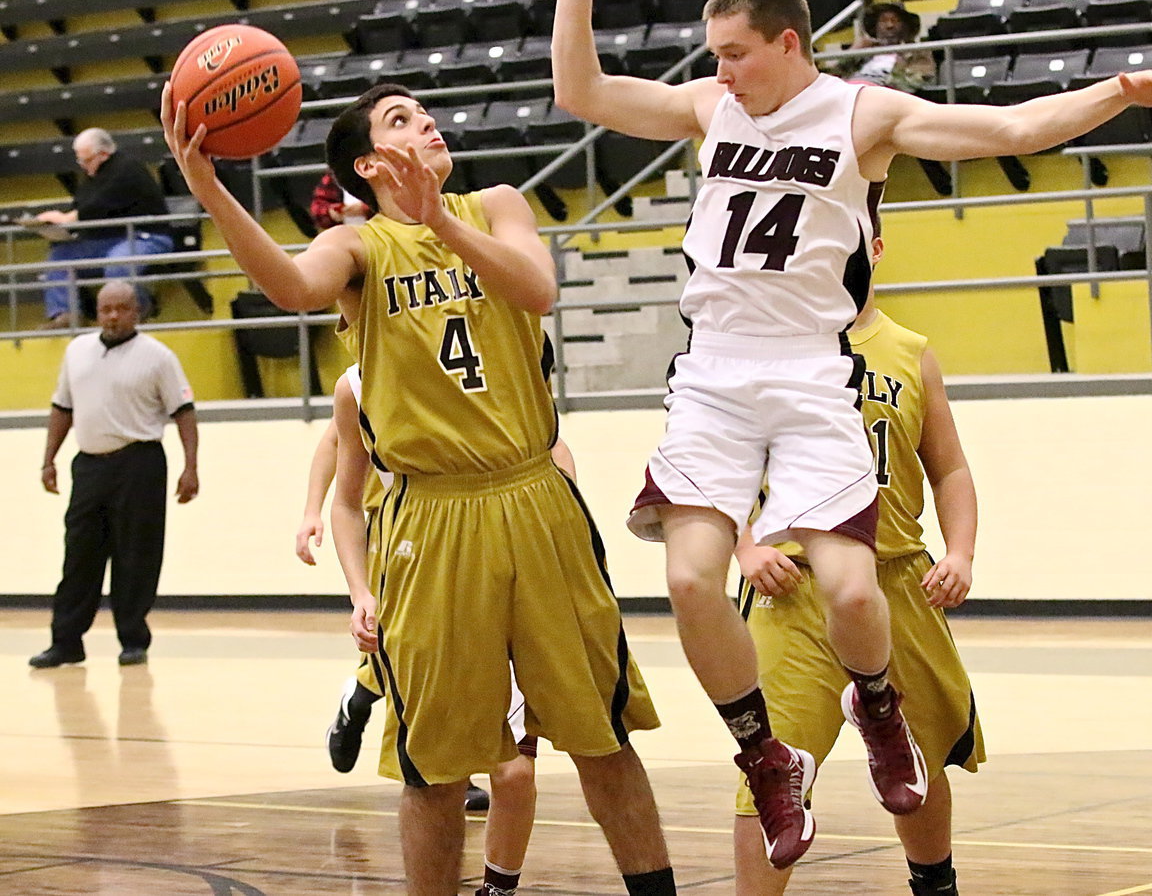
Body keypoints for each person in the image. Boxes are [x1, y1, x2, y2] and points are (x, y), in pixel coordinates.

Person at [551, 0, 1152, 869]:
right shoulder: (709, 107)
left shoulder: (863, 114)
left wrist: (1114, 92)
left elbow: (1008, 127)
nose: (720, 71)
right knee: (690, 582)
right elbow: (581, 92)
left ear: (787, 43)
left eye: (734, 53)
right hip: (714, 371)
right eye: (713, 55)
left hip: (811, 369)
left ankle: (880, 710)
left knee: (853, 592)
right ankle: (765, 757)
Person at [162, 81, 676, 896]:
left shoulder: (496, 205)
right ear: (368, 165)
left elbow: (538, 290)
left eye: (425, 112)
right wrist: (211, 192)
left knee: (601, 736)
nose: (427, 122)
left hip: (536, 493)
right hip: (432, 518)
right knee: (434, 764)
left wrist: (440, 220)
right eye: (400, 119)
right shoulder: (356, 246)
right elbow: (291, 287)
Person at [733, 243, 985, 896]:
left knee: (920, 757)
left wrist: (960, 552)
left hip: (897, 579)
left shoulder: (910, 352)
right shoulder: (764, 347)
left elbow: (950, 469)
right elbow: (721, 465)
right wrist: (747, 547)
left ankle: (935, 885)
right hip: (794, 588)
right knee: (771, 774)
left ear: (874, 246)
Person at [324, 367, 542, 896]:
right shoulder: (357, 384)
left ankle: (498, 887)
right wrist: (356, 586)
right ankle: (361, 695)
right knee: (435, 765)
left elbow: (557, 459)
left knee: (515, 772)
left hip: (505, 566)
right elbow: (336, 465)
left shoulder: (494, 374)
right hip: (409, 556)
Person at [30, 280, 199, 669]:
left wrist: (190, 466)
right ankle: (66, 642)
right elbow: (62, 407)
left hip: (139, 462)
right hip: (89, 465)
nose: (113, 316)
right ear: (97, 313)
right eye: (106, 309)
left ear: (136, 311)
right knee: (78, 555)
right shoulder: (77, 351)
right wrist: (48, 459)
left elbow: (184, 412)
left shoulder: (158, 357)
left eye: (121, 308)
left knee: (136, 554)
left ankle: (133, 640)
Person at [35, 128, 173, 329]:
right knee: (60, 258)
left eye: (87, 160)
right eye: (80, 161)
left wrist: (66, 219)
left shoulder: (127, 169)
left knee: (118, 266)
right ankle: (67, 315)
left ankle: (140, 306)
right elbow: (82, 206)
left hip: (145, 236)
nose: (83, 166)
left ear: (104, 154)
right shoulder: (92, 177)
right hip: (109, 239)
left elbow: (102, 204)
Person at [829, 1, 934, 94]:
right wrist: (854, 51)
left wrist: (899, 68)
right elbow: (833, 76)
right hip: (851, 91)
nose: (889, 25)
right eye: (883, 21)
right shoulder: (865, 51)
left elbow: (918, 81)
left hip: (883, 95)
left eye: (895, 20)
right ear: (875, 26)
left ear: (905, 26)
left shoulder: (917, 51)